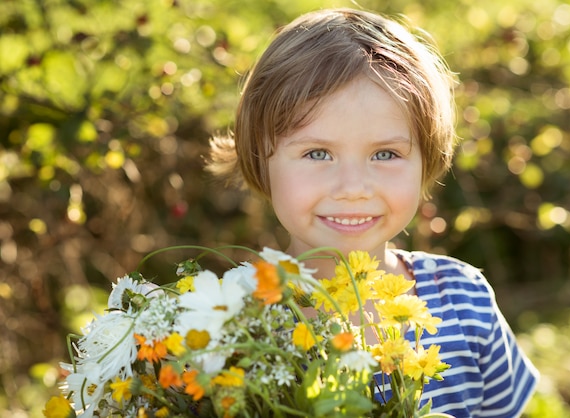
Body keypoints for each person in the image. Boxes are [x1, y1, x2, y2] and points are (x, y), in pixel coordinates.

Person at [208, 8, 539, 417]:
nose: (352, 189)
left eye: (385, 153)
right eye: (317, 153)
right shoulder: (225, 326)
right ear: (260, 158)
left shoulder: (465, 301)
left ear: (427, 157)